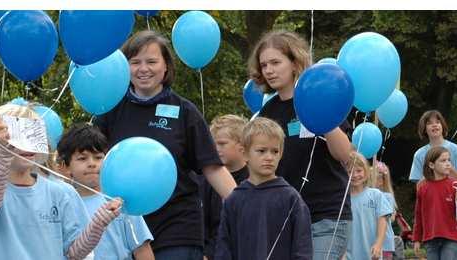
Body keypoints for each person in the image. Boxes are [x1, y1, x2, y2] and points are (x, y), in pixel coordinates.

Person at [95, 30, 238, 259]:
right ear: (124, 67)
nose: (143, 69)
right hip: (125, 227)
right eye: (135, 62)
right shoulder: (109, 111)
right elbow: (91, 162)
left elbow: (213, 167)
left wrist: (245, 205)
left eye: (151, 61)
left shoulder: (185, 112)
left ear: (166, 67)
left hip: (178, 226)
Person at [250, 30, 354, 259]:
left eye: (276, 62)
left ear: (295, 62)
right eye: (264, 64)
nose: (269, 70)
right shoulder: (267, 113)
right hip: (286, 218)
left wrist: (321, 115)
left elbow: (344, 154)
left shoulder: (321, 96)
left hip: (326, 215)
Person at [0, 104, 122, 260]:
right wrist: (3, 152)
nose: (26, 143)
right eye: (15, 134)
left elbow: (74, 253)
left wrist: (99, 222)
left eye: (33, 133)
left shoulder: (60, 192)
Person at [215, 117, 312, 259]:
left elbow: (302, 248)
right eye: (261, 151)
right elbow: (224, 248)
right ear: (245, 153)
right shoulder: (234, 199)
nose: (269, 157)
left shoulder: (291, 198)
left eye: (275, 151)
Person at [58, 124, 155, 260]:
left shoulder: (119, 201)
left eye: (98, 157)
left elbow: (142, 249)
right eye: (82, 158)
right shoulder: (62, 203)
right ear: (66, 167)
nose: (92, 163)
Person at [407, 110, 457, 259]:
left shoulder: (456, 150)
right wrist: (417, 237)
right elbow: (420, 190)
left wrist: (449, 169)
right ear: (424, 128)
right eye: (429, 123)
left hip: (454, 217)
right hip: (433, 221)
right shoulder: (420, 154)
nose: (434, 125)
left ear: (442, 125)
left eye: (437, 121)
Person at [201, 115, 250, 260]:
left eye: (222, 144)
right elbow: (204, 223)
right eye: (213, 144)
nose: (216, 149)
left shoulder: (254, 179)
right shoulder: (207, 180)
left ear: (242, 145)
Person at [412, 146, 457, 260]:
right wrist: (417, 239)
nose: (448, 164)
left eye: (449, 160)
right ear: (431, 165)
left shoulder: (455, 185)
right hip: (430, 238)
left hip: (451, 238)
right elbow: (418, 215)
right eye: (443, 161)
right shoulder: (423, 188)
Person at [347, 153, 394, 260]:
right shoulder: (343, 200)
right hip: (349, 255)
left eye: (359, 171)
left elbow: (383, 221)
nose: (354, 175)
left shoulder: (376, 195)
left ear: (366, 171)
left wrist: (378, 244)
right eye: (350, 171)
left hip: (372, 254)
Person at [372, 161, 399, 259]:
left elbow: (390, 218)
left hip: (385, 241)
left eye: (372, 179)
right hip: (370, 240)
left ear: (381, 181)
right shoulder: (367, 196)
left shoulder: (387, 197)